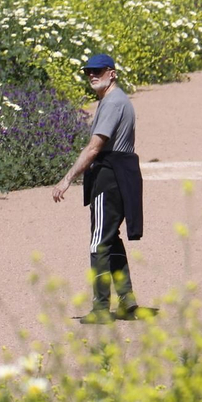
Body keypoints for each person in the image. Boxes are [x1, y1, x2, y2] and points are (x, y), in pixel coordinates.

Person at [52, 53, 146, 324]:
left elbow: (94, 148)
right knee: (111, 238)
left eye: (98, 71)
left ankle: (102, 308)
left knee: (99, 243)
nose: (92, 75)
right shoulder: (116, 100)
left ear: (112, 73)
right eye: (88, 72)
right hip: (120, 175)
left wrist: (67, 179)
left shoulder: (113, 102)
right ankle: (127, 302)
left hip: (110, 176)